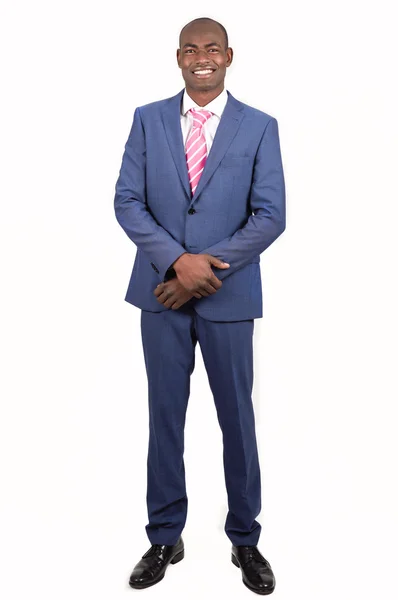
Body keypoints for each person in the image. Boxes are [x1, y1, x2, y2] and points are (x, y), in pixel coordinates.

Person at [114, 16, 286, 595]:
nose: (201, 57)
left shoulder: (260, 127)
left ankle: (246, 539)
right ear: (179, 57)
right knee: (165, 418)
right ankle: (165, 534)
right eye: (191, 49)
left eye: (212, 48)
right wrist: (175, 262)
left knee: (236, 419)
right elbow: (128, 201)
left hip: (228, 296)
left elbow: (270, 215)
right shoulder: (147, 120)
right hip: (159, 295)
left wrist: (199, 270)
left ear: (229, 55)